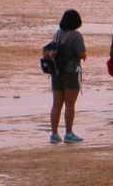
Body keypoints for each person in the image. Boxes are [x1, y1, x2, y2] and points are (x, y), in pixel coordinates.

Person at [45, 8, 87, 143]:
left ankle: (54, 134)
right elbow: (81, 53)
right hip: (70, 71)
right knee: (70, 104)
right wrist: (84, 55)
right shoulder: (76, 35)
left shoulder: (57, 34)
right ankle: (68, 133)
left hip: (56, 71)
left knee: (56, 104)